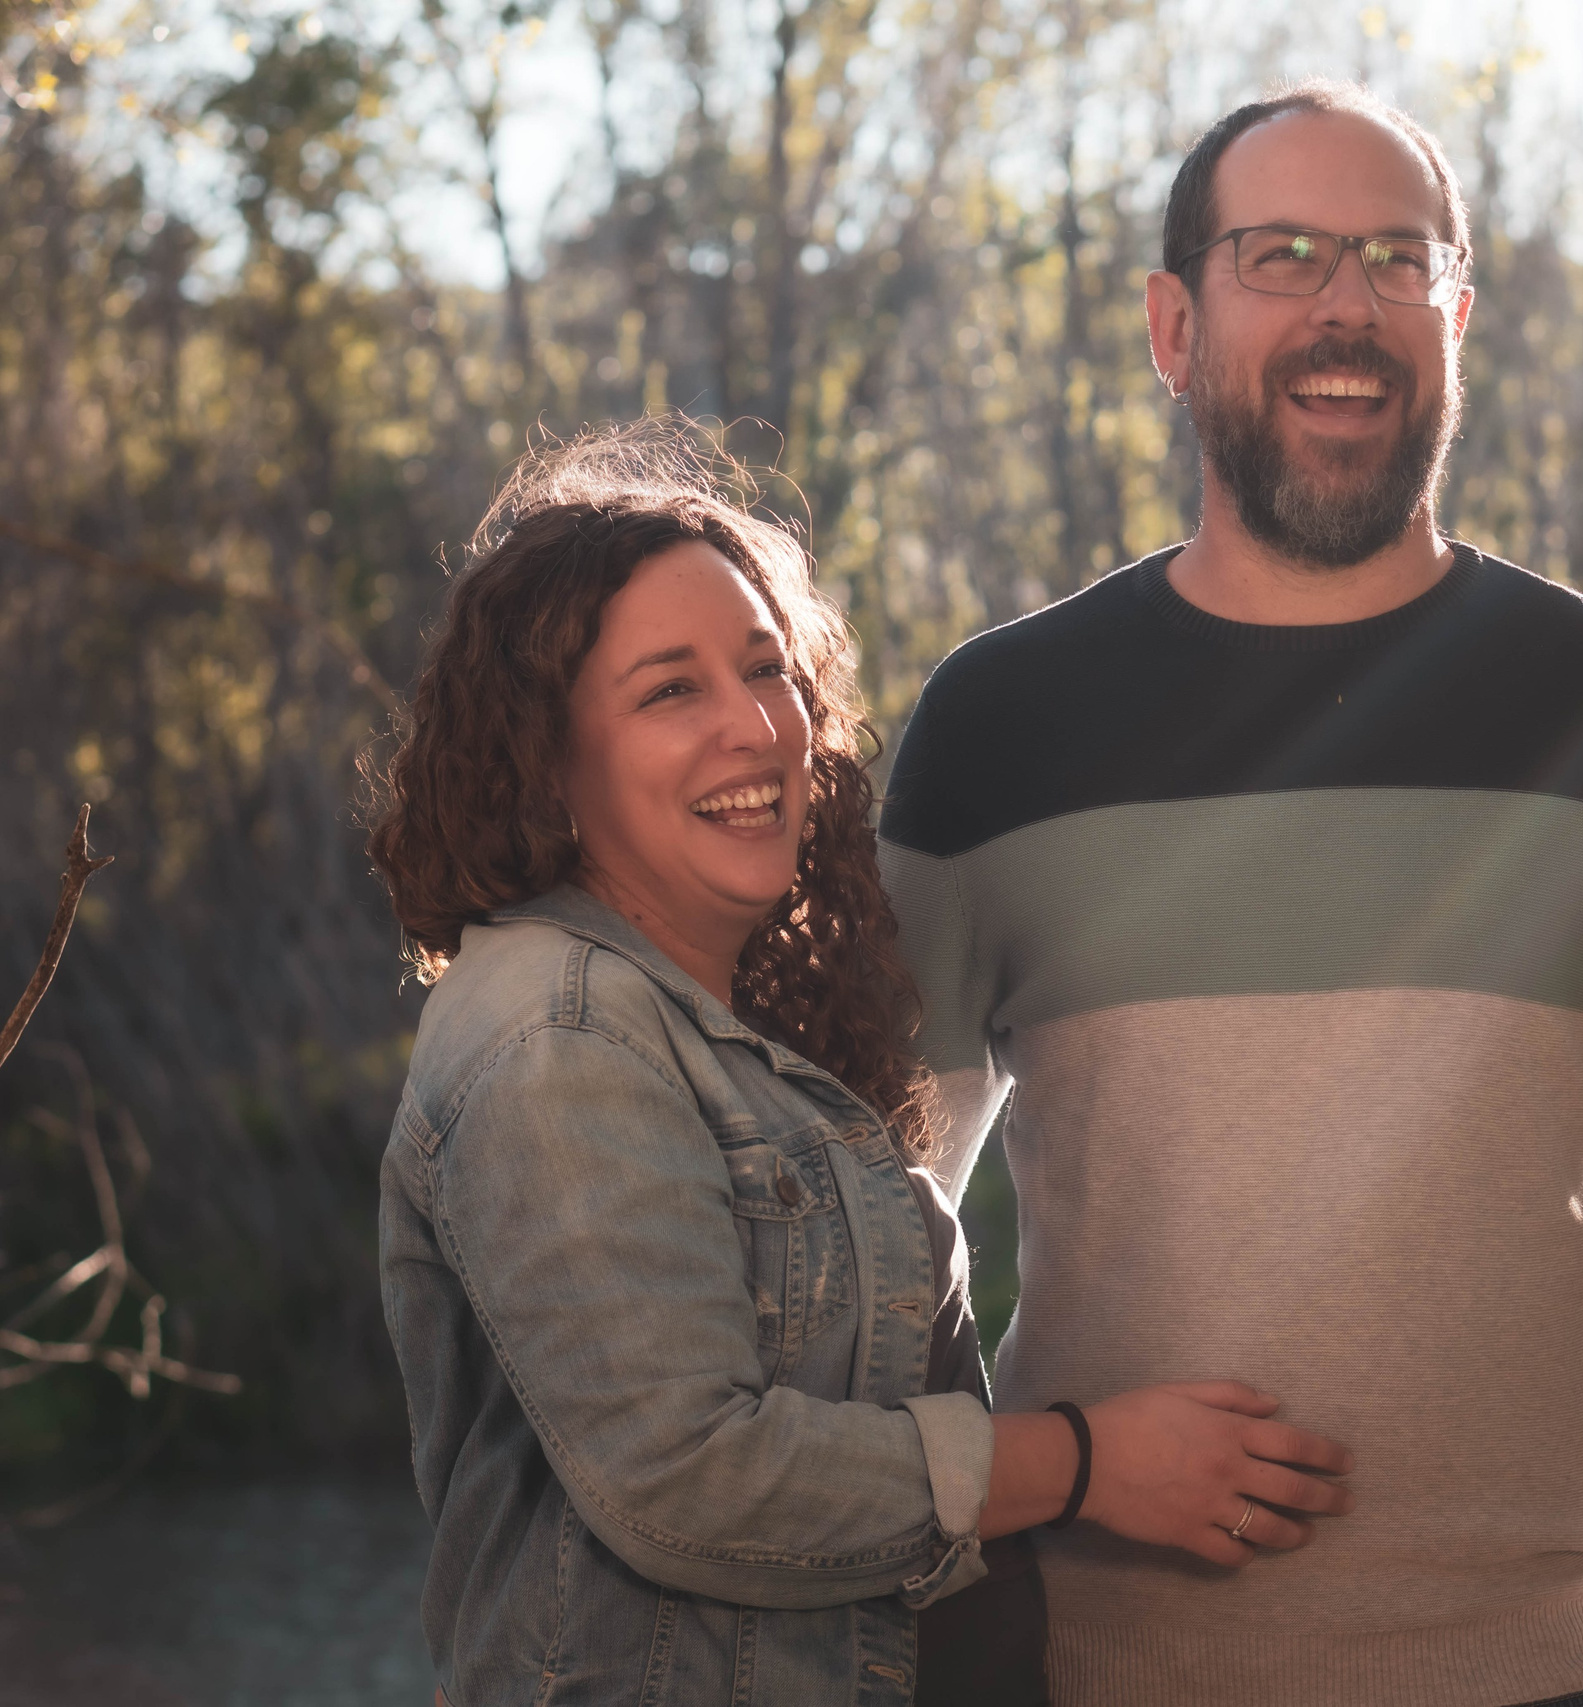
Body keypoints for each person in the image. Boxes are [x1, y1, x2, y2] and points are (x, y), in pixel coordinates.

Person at [878, 81, 1583, 1707]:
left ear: (1459, 318)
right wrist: (1049, 1473)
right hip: (1086, 1679)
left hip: (1536, 1678)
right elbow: (868, 1253)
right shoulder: (1001, 726)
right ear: (1174, 327)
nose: (1347, 304)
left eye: (1398, 259)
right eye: (1284, 253)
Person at [367, 425, 1353, 1707]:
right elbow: (686, 1480)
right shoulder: (560, 1032)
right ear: (547, 763)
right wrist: (1090, 1464)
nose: (753, 728)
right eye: (671, 690)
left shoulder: (721, 1033)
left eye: (766, 670)